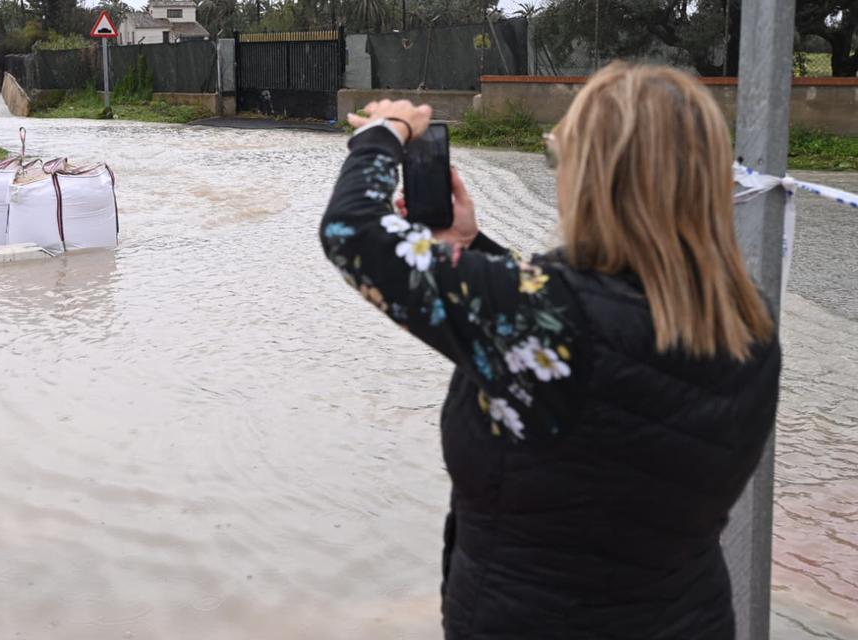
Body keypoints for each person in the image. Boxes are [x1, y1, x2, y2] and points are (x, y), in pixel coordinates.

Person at [319, 62, 780, 639]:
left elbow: (352, 232)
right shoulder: (748, 320)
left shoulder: (552, 321)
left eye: (556, 158)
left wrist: (382, 134)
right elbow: (596, 336)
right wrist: (471, 248)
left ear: (593, 179)